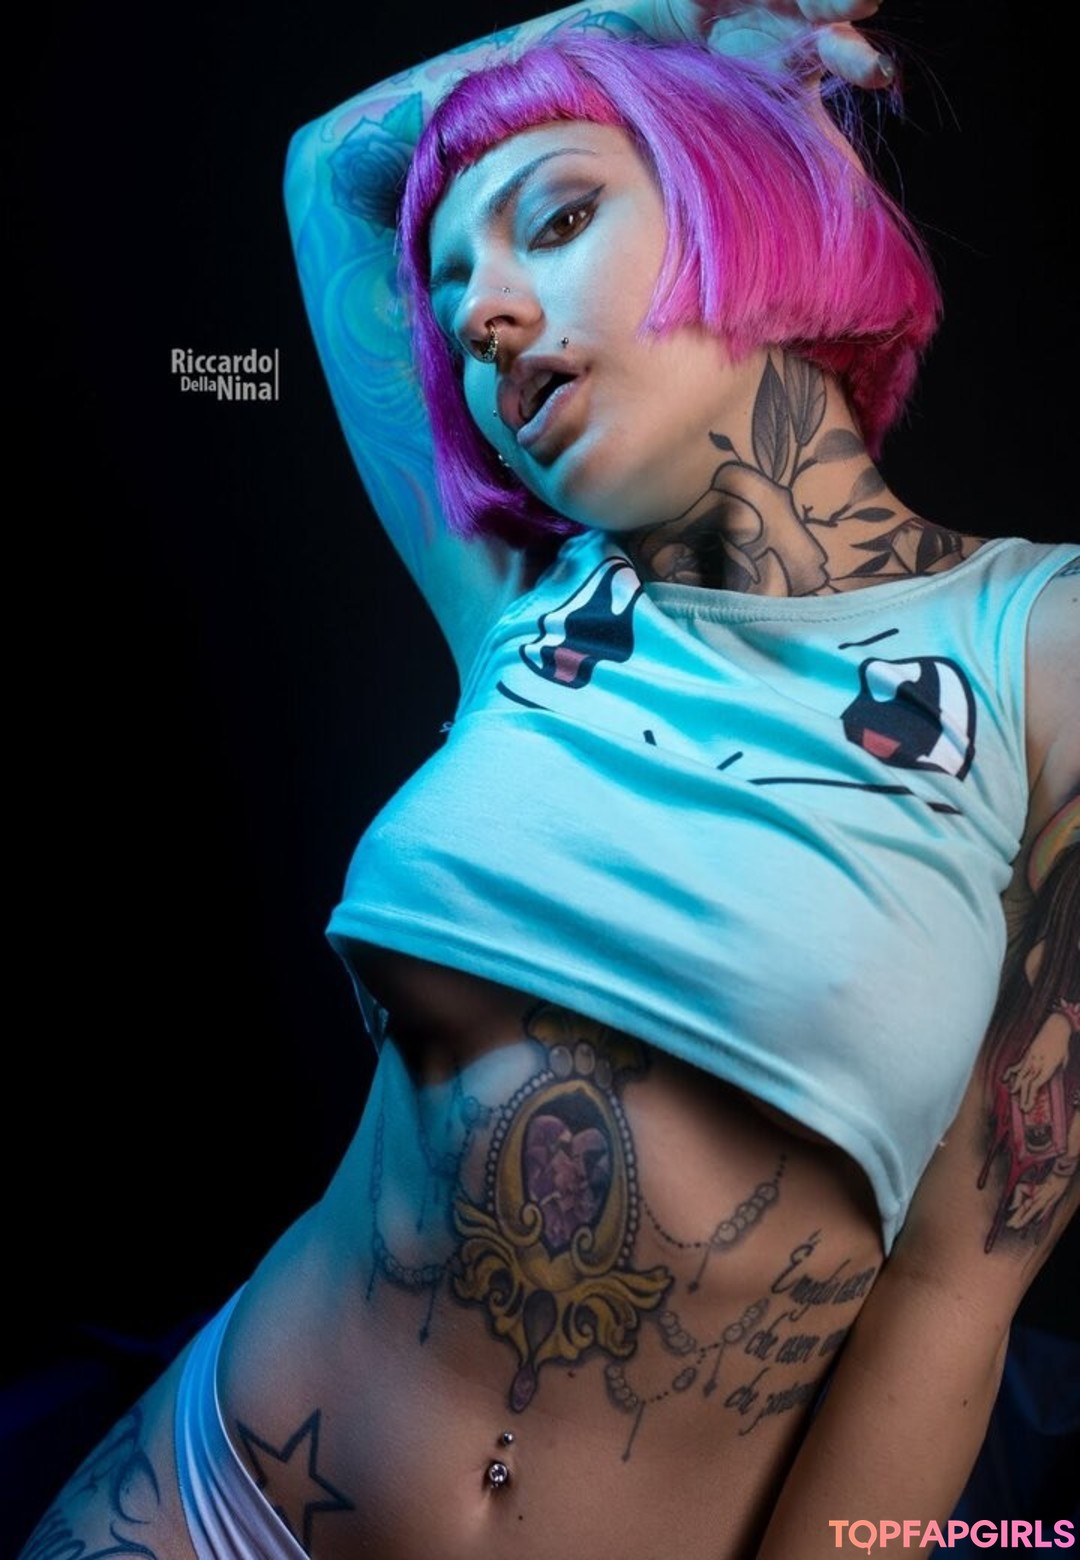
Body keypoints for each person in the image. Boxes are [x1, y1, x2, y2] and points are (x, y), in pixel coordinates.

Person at [19, 2, 1078, 1557]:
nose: (487, 320)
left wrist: (715, 42)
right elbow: (331, 174)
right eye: (453, 298)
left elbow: (955, 1290)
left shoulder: (1040, 643)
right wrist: (666, 15)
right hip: (199, 1494)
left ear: (744, 197)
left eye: (560, 220)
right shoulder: (526, 606)